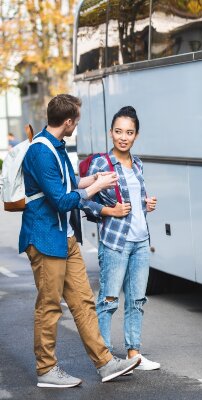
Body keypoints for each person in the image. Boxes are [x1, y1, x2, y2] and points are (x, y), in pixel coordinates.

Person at [19, 94, 141, 388]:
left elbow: (67, 183)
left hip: (65, 237)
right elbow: (61, 201)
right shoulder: (40, 152)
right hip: (45, 238)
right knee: (49, 306)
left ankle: (105, 363)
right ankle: (46, 369)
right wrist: (96, 186)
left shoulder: (57, 147)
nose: (77, 125)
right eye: (77, 120)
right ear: (69, 121)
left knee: (84, 302)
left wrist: (92, 178)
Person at [86, 106, 160, 371]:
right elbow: (83, 202)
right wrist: (109, 211)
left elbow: (134, 197)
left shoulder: (137, 163)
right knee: (108, 301)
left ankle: (134, 355)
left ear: (136, 135)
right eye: (118, 131)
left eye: (129, 132)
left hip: (141, 241)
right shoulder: (101, 164)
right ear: (110, 133)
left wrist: (146, 203)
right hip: (116, 242)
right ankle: (104, 358)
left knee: (137, 300)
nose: (123, 137)